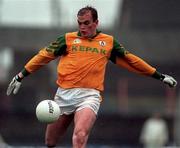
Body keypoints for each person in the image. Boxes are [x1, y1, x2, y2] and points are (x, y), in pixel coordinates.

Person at [6, 6, 177, 148]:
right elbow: (43, 56)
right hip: (63, 96)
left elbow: (132, 61)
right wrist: (21, 75)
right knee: (50, 142)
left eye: (87, 23)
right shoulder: (67, 39)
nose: (83, 27)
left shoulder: (108, 42)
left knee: (79, 135)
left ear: (96, 22)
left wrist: (159, 76)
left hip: (89, 96)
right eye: (80, 23)